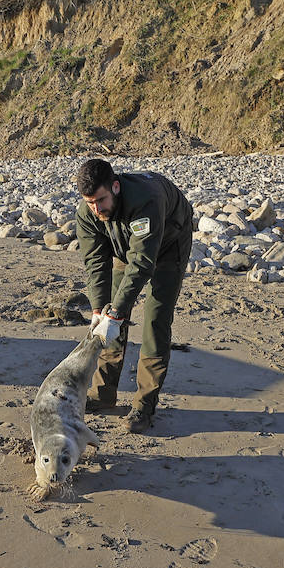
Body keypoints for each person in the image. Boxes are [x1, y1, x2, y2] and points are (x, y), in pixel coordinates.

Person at [76, 158, 194, 433]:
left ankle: (144, 405)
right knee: (108, 320)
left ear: (115, 187)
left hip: (168, 243)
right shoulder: (89, 212)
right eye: (90, 202)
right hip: (126, 246)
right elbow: (95, 263)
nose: (96, 208)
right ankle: (102, 394)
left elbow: (142, 262)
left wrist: (117, 311)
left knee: (155, 320)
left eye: (101, 200)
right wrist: (99, 310)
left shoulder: (146, 201)